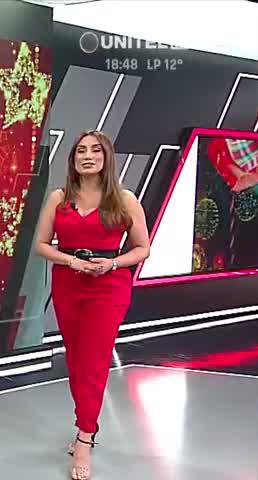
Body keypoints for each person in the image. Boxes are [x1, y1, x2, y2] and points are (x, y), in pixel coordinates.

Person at [34, 129, 151, 479]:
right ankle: (85, 421)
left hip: (108, 286)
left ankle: (85, 437)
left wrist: (112, 263)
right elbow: (41, 244)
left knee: (94, 361)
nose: (88, 156)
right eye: (81, 151)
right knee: (75, 360)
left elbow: (142, 248)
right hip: (69, 283)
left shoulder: (124, 200)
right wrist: (71, 261)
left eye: (95, 150)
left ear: (106, 157)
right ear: (72, 159)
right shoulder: (59, 198)